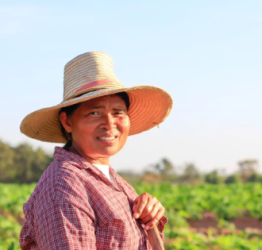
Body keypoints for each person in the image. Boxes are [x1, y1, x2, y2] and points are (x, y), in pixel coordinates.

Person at [19, 51, 173, 250]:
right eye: (94, 113)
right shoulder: (65, 185)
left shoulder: (115, 181)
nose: (109, 123)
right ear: (67, 121)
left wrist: (149, 217)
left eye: (118, 112)